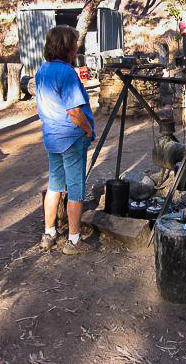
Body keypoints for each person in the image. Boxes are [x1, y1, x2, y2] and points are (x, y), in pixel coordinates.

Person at [36, 25, 96, 254]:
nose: (76, 49)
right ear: (66, 47)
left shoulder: (42, 70)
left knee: (54, 186)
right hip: (71, 138)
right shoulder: (67, 73)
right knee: (76, 189)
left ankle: (49, 233)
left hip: (52, 137)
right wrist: (88, 130)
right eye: (74, 45)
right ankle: (73, 240)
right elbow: (74, 111)